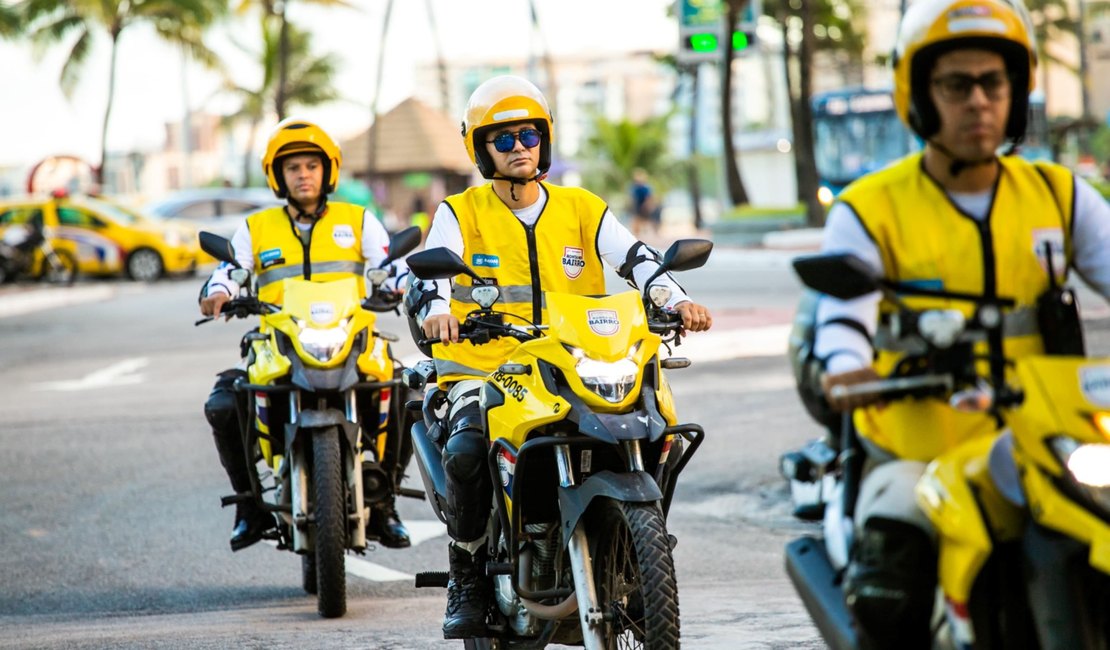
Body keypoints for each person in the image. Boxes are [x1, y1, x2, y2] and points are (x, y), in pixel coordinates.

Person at [811, 0, 1110, 647]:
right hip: (921, 451)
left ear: (1015, 91)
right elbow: (842, 323)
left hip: (1047, 444)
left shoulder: (1060, 195)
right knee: (893, 580)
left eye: (992, 83)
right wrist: (844, 370)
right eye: (956, 84)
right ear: (920, 94)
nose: (978, 101)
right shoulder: (869, 209)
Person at [407, 75, 713, 639]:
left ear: (544, 140)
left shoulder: (581, 207)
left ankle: (642, 551)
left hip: (574, 362)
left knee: (655, 427)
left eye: (529, 134)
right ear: (482, 149)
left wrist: (676, 298)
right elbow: (427, 276)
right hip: (486, 368)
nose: (519, 146)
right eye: (504, 139)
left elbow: (638, 259)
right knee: (468, 451)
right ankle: (467, 569)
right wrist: (436, 311)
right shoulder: (462, 212)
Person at [199, 117, 413, 552]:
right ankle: (249, 507)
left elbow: (391, 265)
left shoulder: (358, 220)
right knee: (224, 403)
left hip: (352, 337)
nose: (303, 174)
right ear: (278, 176)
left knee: (409, 394)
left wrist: (402, 284)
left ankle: (386, 501)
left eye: (311, 166)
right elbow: (229, 271)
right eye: (293, 167)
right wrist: (219, 292)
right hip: (280, 343)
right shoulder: (257, 228)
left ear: (327, 171)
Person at [629, 168, 656, 238]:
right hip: (637, 205)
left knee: (645, 221)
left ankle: (648, 234)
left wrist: (647, 205)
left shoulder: (645, 188)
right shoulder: (634, 187)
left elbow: (649, 197)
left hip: (644, 206)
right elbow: (633, 197)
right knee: (637, 221)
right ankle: (638, 235)